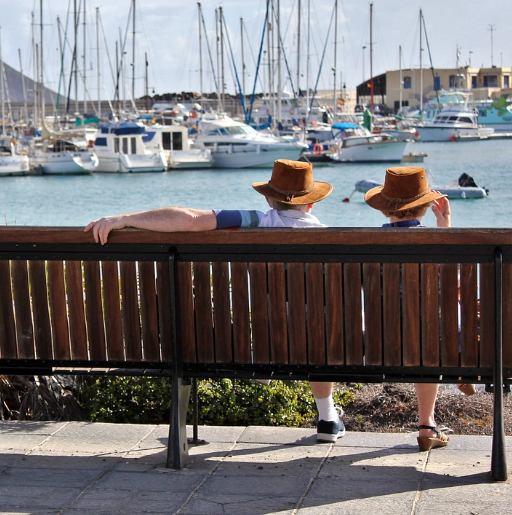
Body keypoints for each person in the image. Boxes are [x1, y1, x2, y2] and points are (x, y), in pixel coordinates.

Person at [85, 159, 347, 443]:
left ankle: (266, 357)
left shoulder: (256, 222)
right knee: (317, 324)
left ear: (270, 200)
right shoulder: (330, 237)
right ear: (311, 204)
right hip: (317, 344)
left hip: (261, 338)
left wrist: (124, 218)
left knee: (280, 316)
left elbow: (189, 220)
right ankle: (328, 418)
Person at [364, 166, 474, 451]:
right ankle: (429, 420)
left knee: (420, 329)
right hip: (432, 344)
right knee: (437, 333)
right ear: (426, 207)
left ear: (384, 209)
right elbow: (457, 287)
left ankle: (452, 373)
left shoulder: (367, 245)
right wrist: (445, 228)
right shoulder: (435, 243)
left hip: (379, 341)